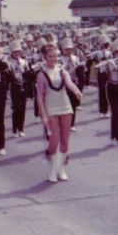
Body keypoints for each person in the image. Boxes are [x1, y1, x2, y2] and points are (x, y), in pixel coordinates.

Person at [36, 44, 82, 183]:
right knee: (54, 139)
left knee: (65, 140)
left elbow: (69, 84)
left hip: (65, 105)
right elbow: (39, 96)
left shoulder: (62, 71)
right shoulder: (41, 74)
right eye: (50, 56)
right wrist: (43, 115)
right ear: (44, 57)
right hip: (51, 107)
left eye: (55, 56)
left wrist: (76, 91)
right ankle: (51, 169)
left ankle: (61, 169)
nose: (53, 58)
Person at [98, 38, 118, 145]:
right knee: (115, 112)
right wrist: (106, 65)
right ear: (114, 52)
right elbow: (101, 73)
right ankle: (113, 136)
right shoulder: (108, 62)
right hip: (111, 88)